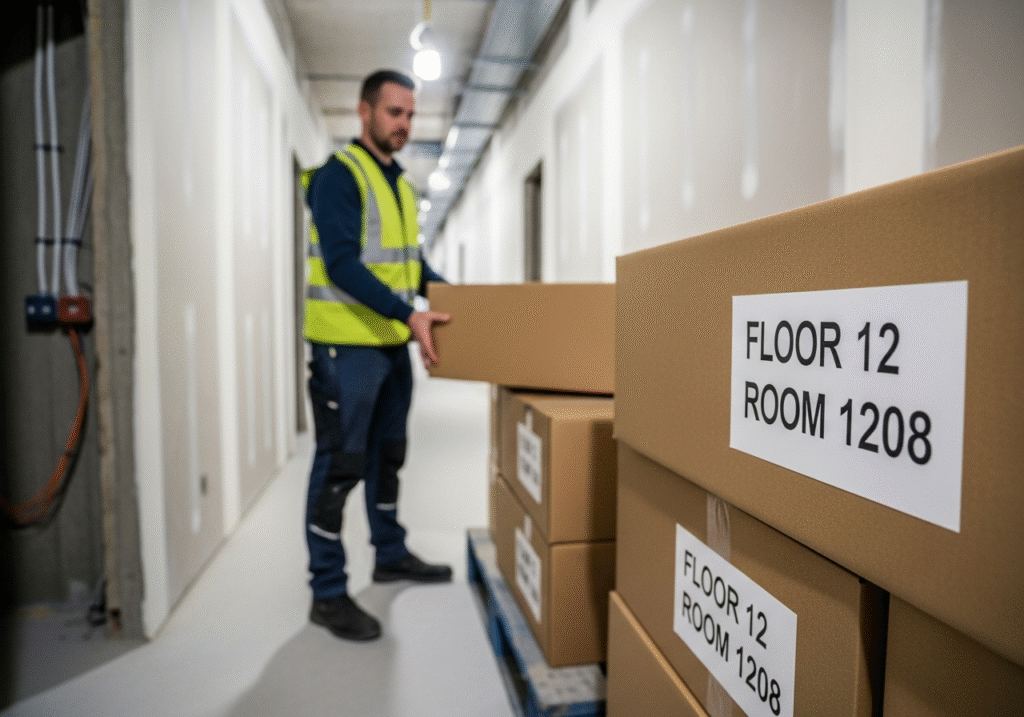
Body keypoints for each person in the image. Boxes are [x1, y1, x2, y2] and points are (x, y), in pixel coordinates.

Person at [302, 69, 452, 641]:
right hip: (347, 349)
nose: (405, 125)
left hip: (389, 349)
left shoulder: (402, 186)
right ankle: (328, 590)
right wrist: (408, 313)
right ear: (364, 113)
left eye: (411, 115)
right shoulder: (338, 177)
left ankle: (389, 552)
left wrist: (457, 297)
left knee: (387, 456)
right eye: (395, 113)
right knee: (339, 466)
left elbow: (412, 267)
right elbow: (342, 265)